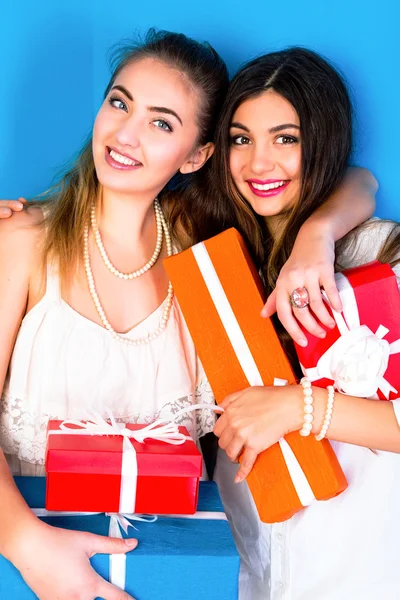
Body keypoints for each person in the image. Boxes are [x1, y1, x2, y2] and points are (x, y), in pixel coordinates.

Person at [0, 31, 377, 600]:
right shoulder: (23, 238)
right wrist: (26, 545)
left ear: (198, 154)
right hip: (22, 559)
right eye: (120, 102)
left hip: (167, 571)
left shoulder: (213, 259)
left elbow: (355, 180)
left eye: (162, 123)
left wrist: (316, 235)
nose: (125, 134)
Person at [211, 46, 400, 600]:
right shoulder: (211, 258)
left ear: (324, 142)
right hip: (249, 567)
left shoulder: (381, 256)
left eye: (285, 139)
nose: (258, 163)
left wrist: (299, 406)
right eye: (241, 139)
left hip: (365, 568)